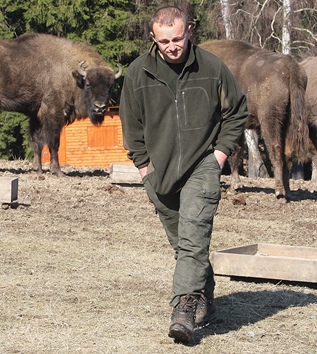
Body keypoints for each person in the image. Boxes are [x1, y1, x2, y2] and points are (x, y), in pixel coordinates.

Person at [119, 5, 248, 343]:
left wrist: (219, 155)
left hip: (202, 165)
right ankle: (205, 297)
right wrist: (144, 166)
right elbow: (131, 125)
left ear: (189, 31)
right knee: (184, 244)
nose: (172, 46)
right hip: (159, 172)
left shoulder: (212, 67)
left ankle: (183, 310)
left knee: (192, 238)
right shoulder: (137, 73)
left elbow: (236, 111)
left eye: (177, 38)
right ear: (153, 38)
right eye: (164, 41)